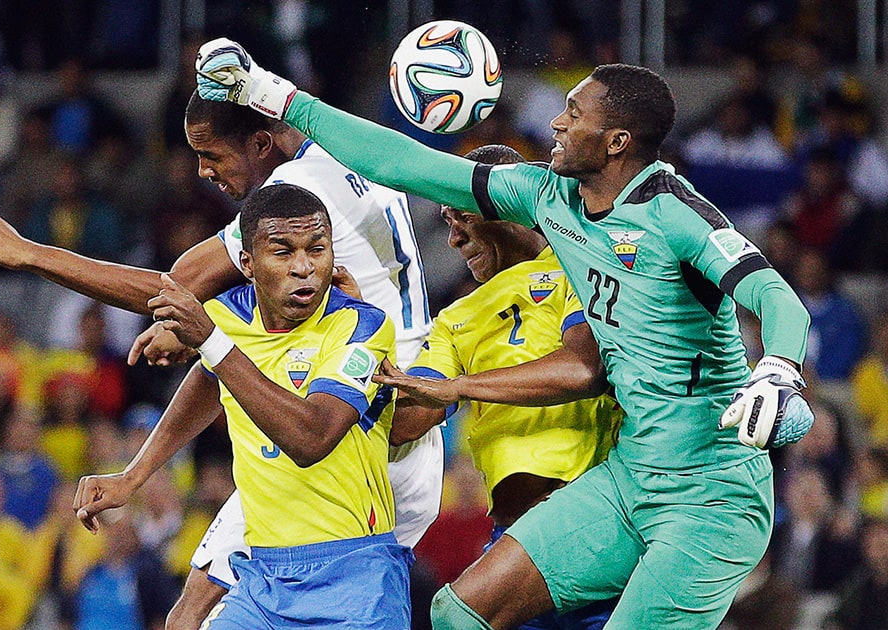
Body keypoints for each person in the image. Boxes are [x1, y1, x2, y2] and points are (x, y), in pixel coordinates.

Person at [195, 40, 815, 629]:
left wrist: (780, 368)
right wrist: (271, 93)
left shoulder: (675, 214)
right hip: (631, 478)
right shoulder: (551, 196)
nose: (556, 125)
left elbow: (774, 294)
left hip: (710, 495)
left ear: (617, 140)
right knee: (457, 614)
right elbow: (401, 162)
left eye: (574, 114)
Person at [0, 91, 440, 629]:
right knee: (186, 618)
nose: (202, 171)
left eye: (212, 154)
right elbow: (209, 366)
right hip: (351, 434)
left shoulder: (296, 207)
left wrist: (31, 253)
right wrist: (134, 473)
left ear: (262, 144)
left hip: (363, 449)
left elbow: (176, 286)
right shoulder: (347, 157)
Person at [77, 183, 411, 627]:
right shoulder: (231, 317)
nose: (304, 267)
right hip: (264, 581)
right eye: (283, 252)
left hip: (353, 577)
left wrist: (210, 341)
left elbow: (311, 438)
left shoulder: (360, 325)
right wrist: (133, 476)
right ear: (248, 265)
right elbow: (208, 381)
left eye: (318, 249)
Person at [390, 143, 622, 630]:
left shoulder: (579, 267)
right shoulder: (456, 318)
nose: (453, 240)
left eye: (460, 219)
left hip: (599, 525)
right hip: (513, 538)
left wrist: (461, 388)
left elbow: (584, 369)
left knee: (456, 616)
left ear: (507, 203)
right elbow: (408, 422)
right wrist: (362, 325)